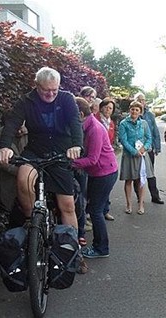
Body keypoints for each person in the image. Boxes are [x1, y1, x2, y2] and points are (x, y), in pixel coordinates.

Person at [0, 66, 82, 230]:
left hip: (60, 152)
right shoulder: (26, 101)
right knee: (23, 177)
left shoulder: (66, 99)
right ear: (36, 85)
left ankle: (72, 248)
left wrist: (77, 145)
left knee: (67, 205)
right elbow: (12, 124)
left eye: (54, 90)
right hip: (35, 150)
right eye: (45, 90)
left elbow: (75, 122)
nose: (50, 94)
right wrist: (4, 147)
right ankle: (34, 225)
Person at [73, 102, 118, 259]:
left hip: (104, 173)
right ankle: (100, 246)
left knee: (96, 211)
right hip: (100, 173)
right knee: (94, 209)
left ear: (80, 114)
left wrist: (70, 163)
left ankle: (101, 248)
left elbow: (92, 159)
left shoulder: (95, 130)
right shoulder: (88, 125)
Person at [118, 101, 154, 214]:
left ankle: (141, 204)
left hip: (142, 156)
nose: (134, 111)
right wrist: (134, 151)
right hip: (129, 155)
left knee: (141, 180)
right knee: (128, 180)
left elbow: (149, 138)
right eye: (133, 109)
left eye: (137, 110)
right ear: (130, 110)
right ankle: (129, 204)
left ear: (140, 112)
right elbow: (123, 140)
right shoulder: (123, 123)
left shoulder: (144, 123)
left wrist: (145, 148)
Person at [0, 114, 28, 228]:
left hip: (30, 182)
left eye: (21, 125)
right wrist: (21, 171)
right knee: (15, 216)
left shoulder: (32, 132)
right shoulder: (0, 136)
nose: (20, 129)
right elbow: (2, 163)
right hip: (11, 184)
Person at [133, 93, 165, 204]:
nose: (141, 102)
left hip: (149, 149)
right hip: (136, 151)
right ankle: (139, 197)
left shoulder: (150, 115)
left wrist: (157, 147)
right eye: (139, 100)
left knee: (150, 173)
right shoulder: (132, 115)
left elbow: (155, 132)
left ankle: (155, 196)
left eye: (143, 100)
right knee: (137, 174)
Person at [74, 97, 92, 246]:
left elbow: (88, 155)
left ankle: (80, 231)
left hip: (78, 167)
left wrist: (74, 163)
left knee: (79, 199)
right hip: (75, 166)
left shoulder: (87, 126)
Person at [96, 98, 117, 221]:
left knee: (106, 186)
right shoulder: (96, 120)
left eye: (111, 108)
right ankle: (95, 211)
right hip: (96, 155)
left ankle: (105, 210)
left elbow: (111, 140)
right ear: (101, 107)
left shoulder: (111, 123)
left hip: (106, 155)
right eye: (106, 107)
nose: (108, 110)